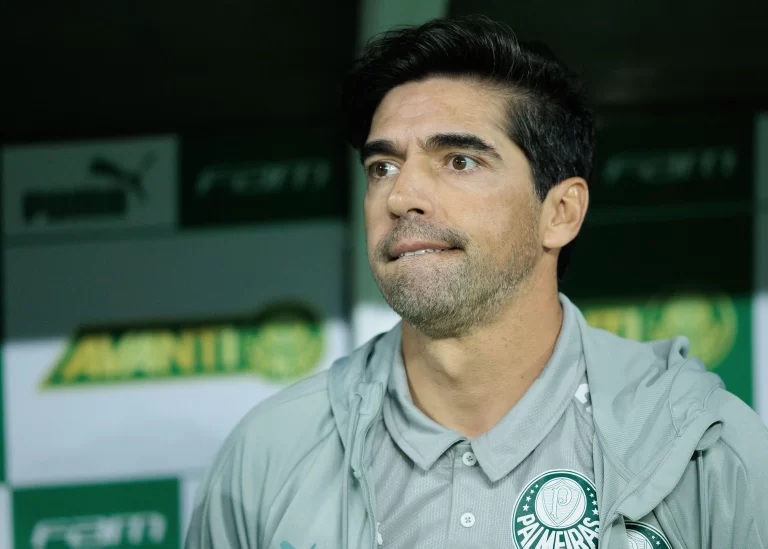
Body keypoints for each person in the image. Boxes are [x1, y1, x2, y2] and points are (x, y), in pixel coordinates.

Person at [184, 15, 768, 549]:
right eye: (382, 167)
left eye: (459, 161)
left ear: (560, 212)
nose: (401, 195)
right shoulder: (268, 455)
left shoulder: (705, 450)